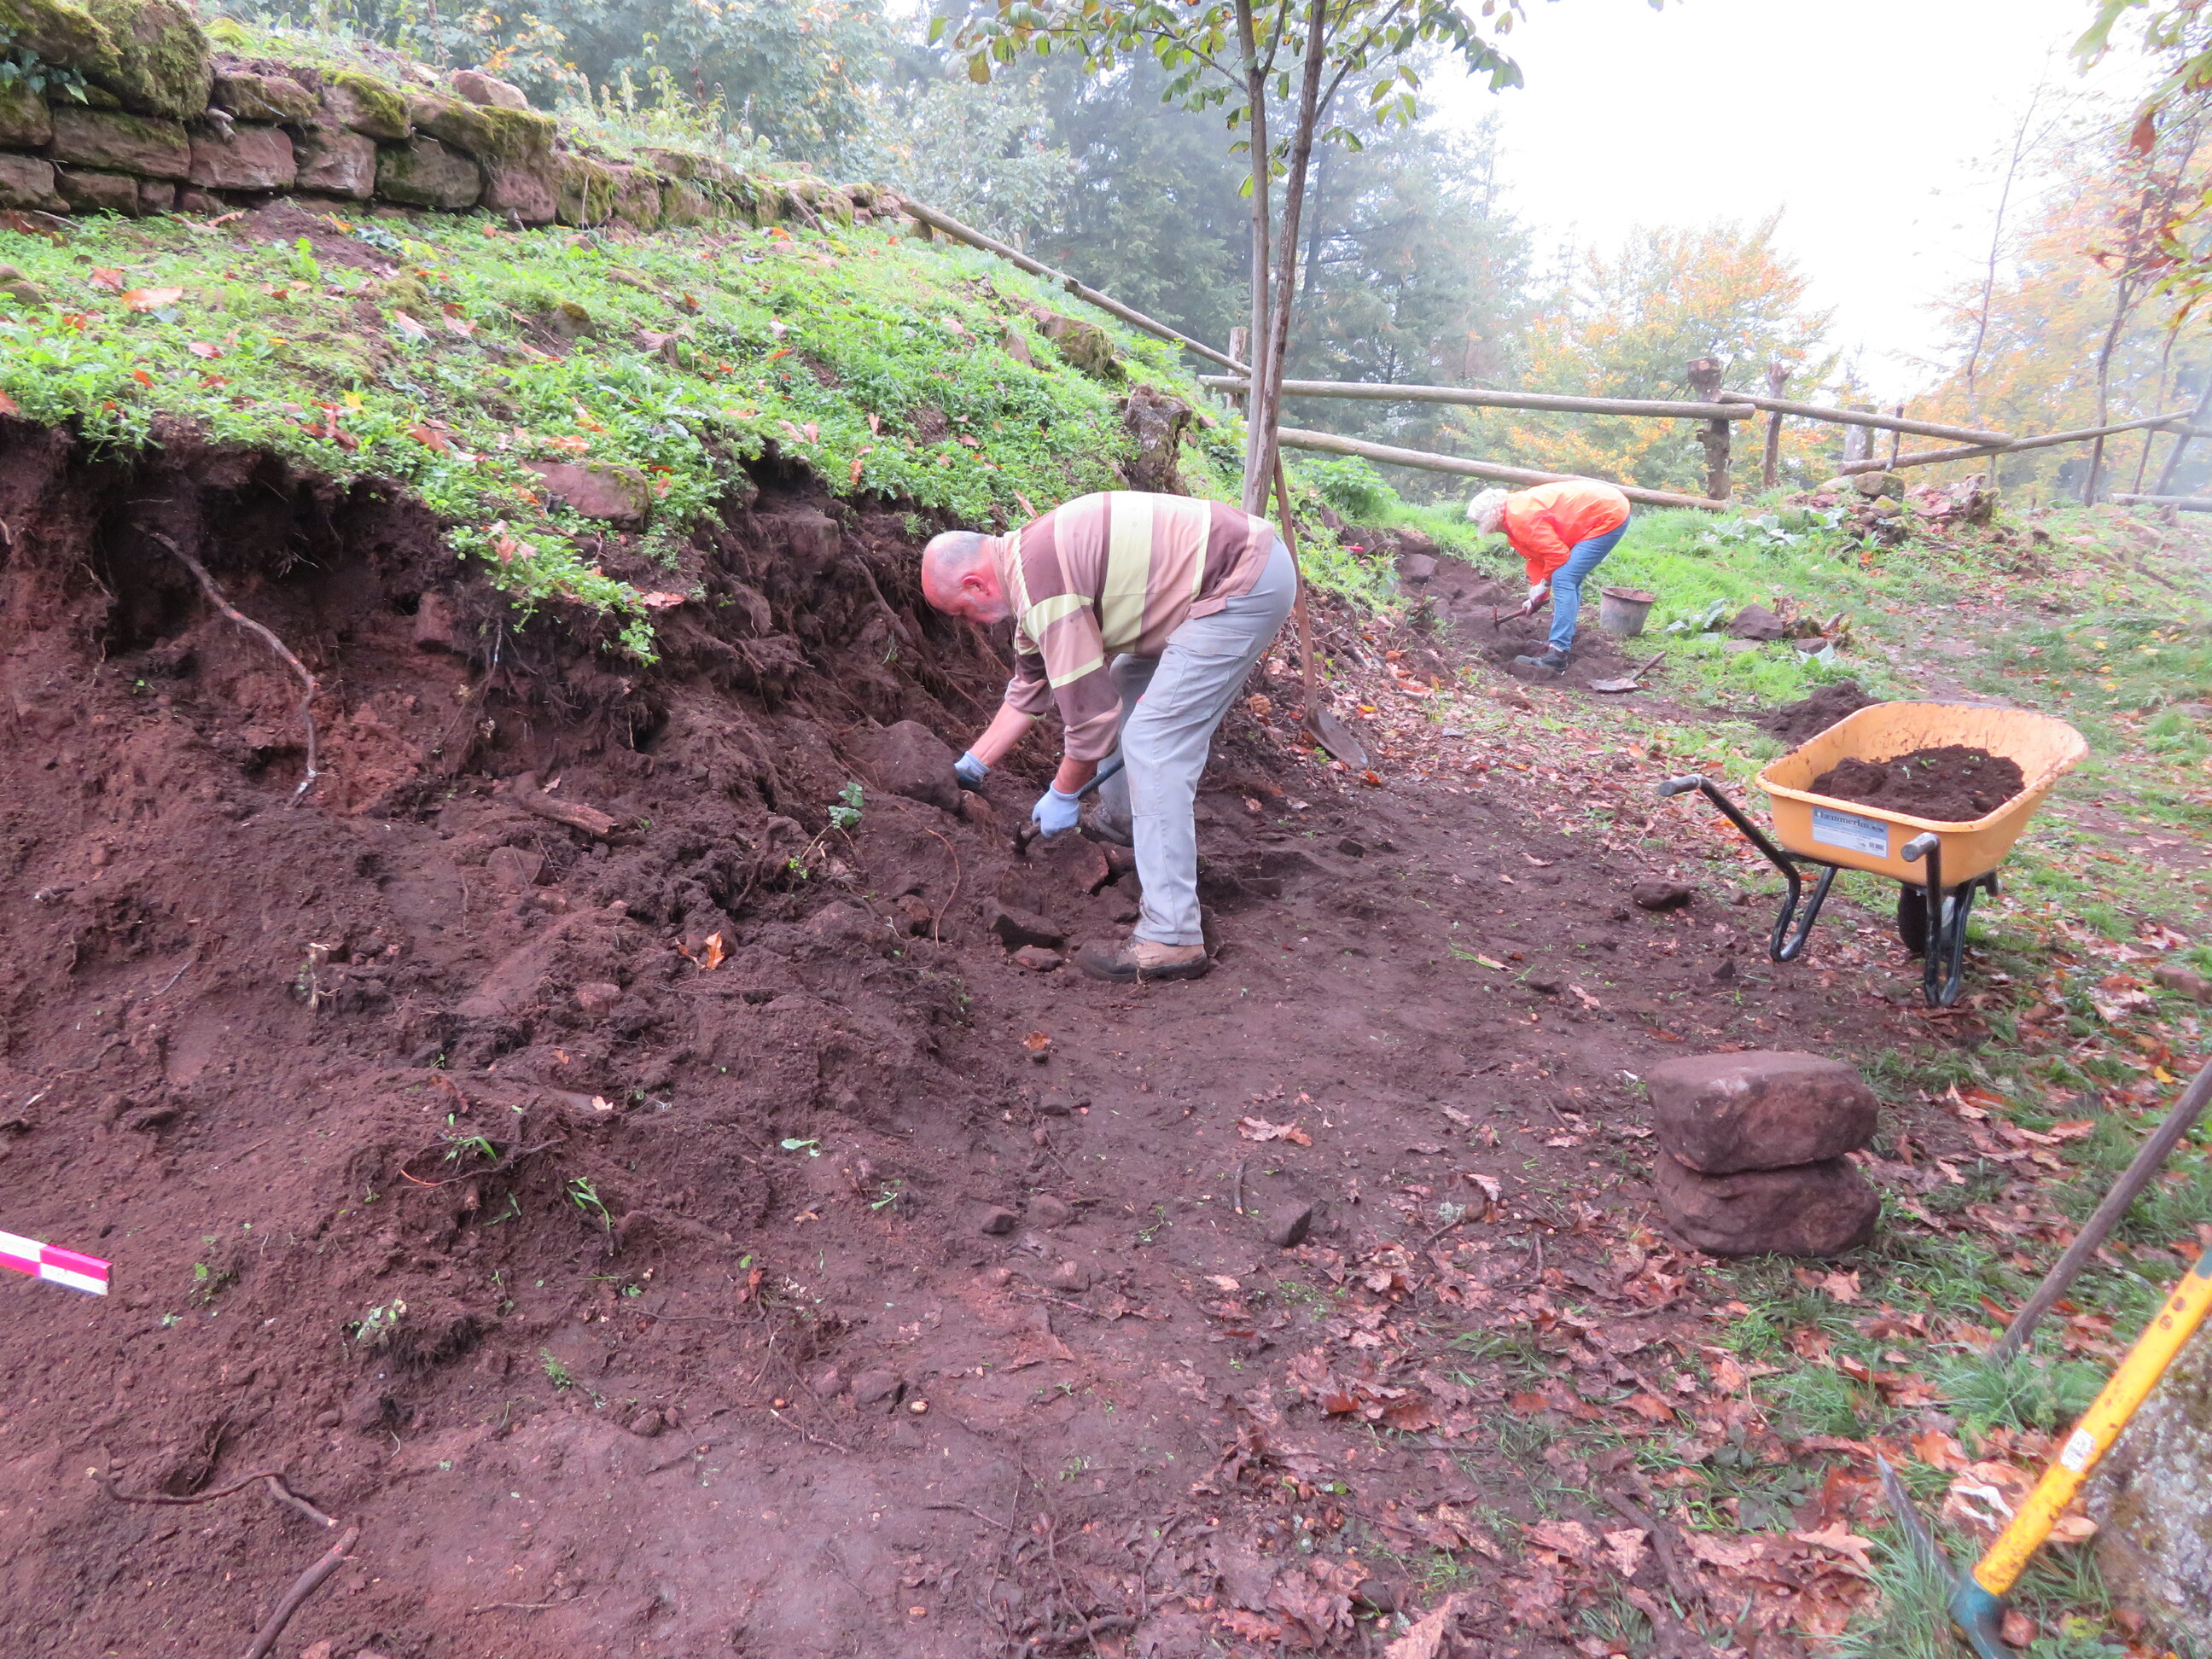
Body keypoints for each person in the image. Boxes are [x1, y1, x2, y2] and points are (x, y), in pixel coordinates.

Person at [920, 491, 1295, 982]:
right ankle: (1123, 827)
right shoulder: (1027, 569)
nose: (966, 624)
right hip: (1220, 578)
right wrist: (971, 768)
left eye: (960, 612)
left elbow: (1092, 720)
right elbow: (1029, 692)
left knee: (1154, 742)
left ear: (975, 583)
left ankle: (1172, 935)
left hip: (1242, 582)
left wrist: (1063, 793)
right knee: (1125, 681)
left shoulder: (1044, 591)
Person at [1466, 478, 1632, 672]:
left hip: (1607, 515)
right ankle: (1560, 642)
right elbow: (1540, 558)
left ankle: (1557, 653)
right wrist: (1537, 596)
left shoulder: (1521, 518)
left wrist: (1544, 584)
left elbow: (1557, 555)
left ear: (1492, 518)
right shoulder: (1514, 516)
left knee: (1564, 578)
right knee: (1568, 577)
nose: (1490, 530)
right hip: (1598, 510)